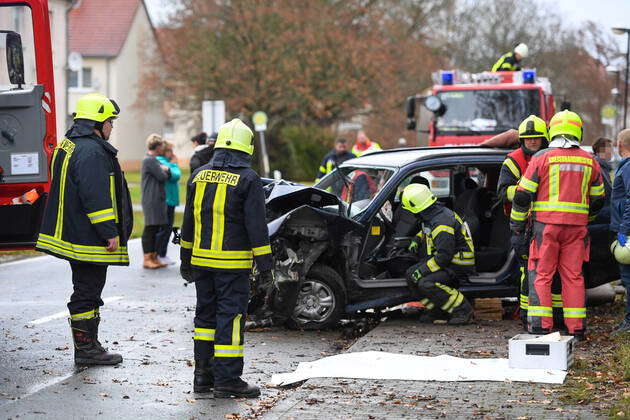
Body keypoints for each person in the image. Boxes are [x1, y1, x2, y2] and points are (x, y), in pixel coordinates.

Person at [35, 93, 132, 365]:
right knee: (88, 291)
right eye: (110, 121)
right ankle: (86, 349)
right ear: (97, 123)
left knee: (86, 288)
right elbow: (96, 196)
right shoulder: (91, 151)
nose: (112, 126)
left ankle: (90, 345)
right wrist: (108, 231)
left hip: (74, 232)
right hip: (88, 237)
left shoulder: (69, 144)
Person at [180, 118, 272, 398]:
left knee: (205, 317)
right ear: (246, 148)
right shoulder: (248, 179)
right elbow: (256, 226)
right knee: (230, 319)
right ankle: (228, 379)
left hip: (201, 263)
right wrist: (266, 266)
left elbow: (188, 223)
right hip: (232, 267)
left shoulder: (199, 175)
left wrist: (185, 259)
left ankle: (202, 377)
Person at [510, 110, 605, 340]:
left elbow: (522, 196)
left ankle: (541, 327)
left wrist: (517, 225)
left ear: (552, 131)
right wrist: (585, 220)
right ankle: (576, 328)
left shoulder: (541, 158)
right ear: (578, 131)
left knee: (542, 275)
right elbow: (599, 199)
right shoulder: (589, 160)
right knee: (573, 276)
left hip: (546, 228)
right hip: (576, 230)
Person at [496, 115, 559, 329]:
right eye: (528, 138)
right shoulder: (513, 161)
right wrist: (526, 191)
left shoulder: (553, 157)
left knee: (554, 273)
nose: (532, 141)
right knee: (528, 273)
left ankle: (555, 317)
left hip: (549, 224)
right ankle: (528, 317)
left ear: (545, 139)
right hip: (522, 227)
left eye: (537, 138)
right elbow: (503, 193)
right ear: (522, 140)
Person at [401, 183, 476, 325]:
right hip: (444, 259)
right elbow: (428, 230)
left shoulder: (442, 223)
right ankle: (437, 310)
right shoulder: (432, 214)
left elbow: (443, 257)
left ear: (416, 208)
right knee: (410, 275)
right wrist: (417, 239)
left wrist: (422, 271)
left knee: (425, 283)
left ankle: (462, 310)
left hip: (457, 265)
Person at [610, 129, 630, 335]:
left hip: (628, 232)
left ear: (620, 144)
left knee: (628, 279)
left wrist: (623, 231)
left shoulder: (628, 168)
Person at [141, 134, 170, 269]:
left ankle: (153, 257)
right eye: (161, 146)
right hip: (151, 199)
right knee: (150, 228)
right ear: (158, 147)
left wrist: (165, 169)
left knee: (155, 227)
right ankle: (147, 258)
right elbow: (162, 176)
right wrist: (167, 169)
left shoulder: (152, 160)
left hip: (155, 199)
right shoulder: (150, 161)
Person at [155, 141, 181, 265]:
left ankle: (160, 254)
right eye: (170, 150)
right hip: (166, 200)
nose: (173, 153)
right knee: (164, 229)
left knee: (166, 228)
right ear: (165, 151)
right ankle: (159, 254)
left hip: (170, 201)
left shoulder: (168, 163)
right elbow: (176, 175)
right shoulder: (162, 162)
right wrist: (173, 166)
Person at [590, 137, 613, 227]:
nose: (612, 152)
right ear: (602, 149)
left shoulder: (602, 167)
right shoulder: (598, 167)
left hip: (600, 218)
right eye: (609, 148)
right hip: (599, 219)